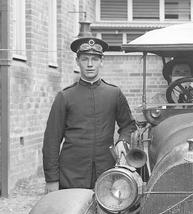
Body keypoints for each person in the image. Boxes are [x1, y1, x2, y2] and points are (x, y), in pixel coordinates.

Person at [42, 36, 136, 191]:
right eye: (85, 59)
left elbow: (128, 125)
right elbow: (51, 141)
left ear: (101, 61)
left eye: (94, 59)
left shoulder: (114, 93)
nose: (90, 64)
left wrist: (122, 141)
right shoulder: (65, 96)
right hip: (71, 175)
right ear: (77, 61)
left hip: (106, 172)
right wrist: (52, 179)